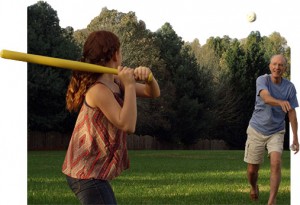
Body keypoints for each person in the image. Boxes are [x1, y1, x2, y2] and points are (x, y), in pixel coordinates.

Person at [62, 30, 160, 204]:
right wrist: (129, 85)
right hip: (85, 173)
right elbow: (127, 124)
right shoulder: (98, 90)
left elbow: (152, 92)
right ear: (115, 54)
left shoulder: (115, 81)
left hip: (94, 173)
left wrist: (149, 78)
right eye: (120, 51)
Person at [244, 54, 299, 205]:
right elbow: (266, 98)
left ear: (285, 69)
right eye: (274, 64)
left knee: (276, 162)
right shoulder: (262, 80)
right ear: (270, 66)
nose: (277, 67)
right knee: (252, 170)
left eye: (281, 65)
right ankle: (254, 186)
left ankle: (271, 200)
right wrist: (281, 102)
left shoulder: (289, 87)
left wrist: (295, 137)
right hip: (256, 129)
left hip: (276, 131)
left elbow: (292, 113)